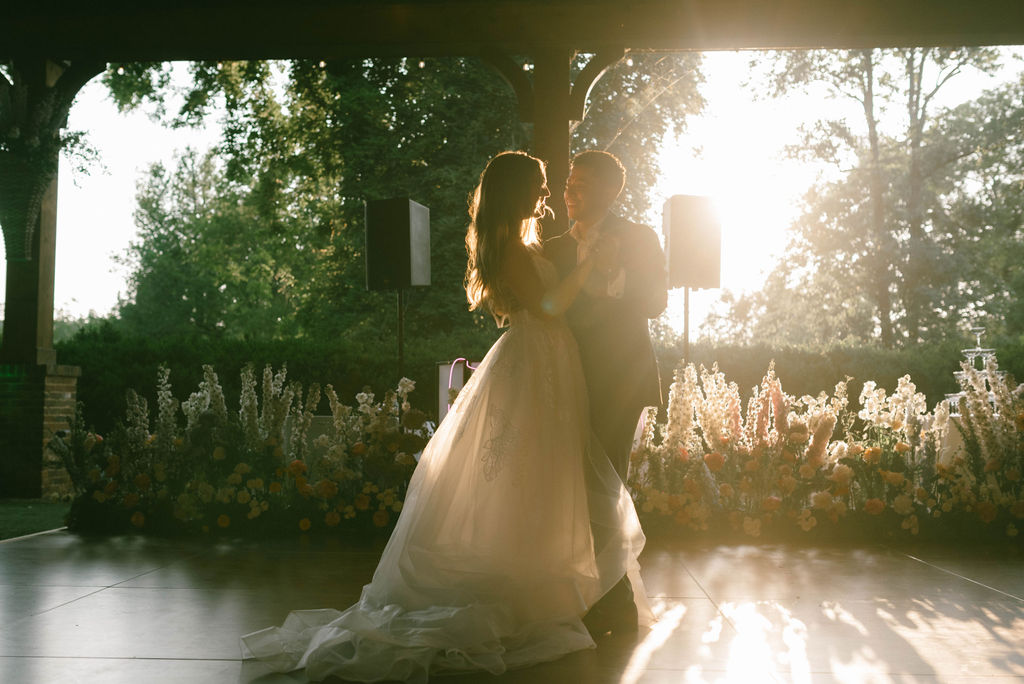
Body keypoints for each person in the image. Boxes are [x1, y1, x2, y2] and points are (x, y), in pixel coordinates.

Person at [241, 151, 647, 683]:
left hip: (551, 361)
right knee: (530, 474)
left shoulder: (519, 242)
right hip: (538, 359)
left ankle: (558, 586)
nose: (545, 195)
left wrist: (603, 270)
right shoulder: (511, 247)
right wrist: (592, 264)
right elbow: (549, 307)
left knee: (543, 478)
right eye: (540, 186)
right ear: (516, 190)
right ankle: (535, 590)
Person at [544, 150, 668, 637]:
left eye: (581, 184)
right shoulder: (552, 246)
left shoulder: (639, 237)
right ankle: (572, 591)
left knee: (609, 479)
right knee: (567, 485)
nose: (569, 191)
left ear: (610, 191)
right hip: (561, 379)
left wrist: (615, 275)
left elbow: (656, 301)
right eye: (568, 182)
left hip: (620, 378)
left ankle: (614, 600)